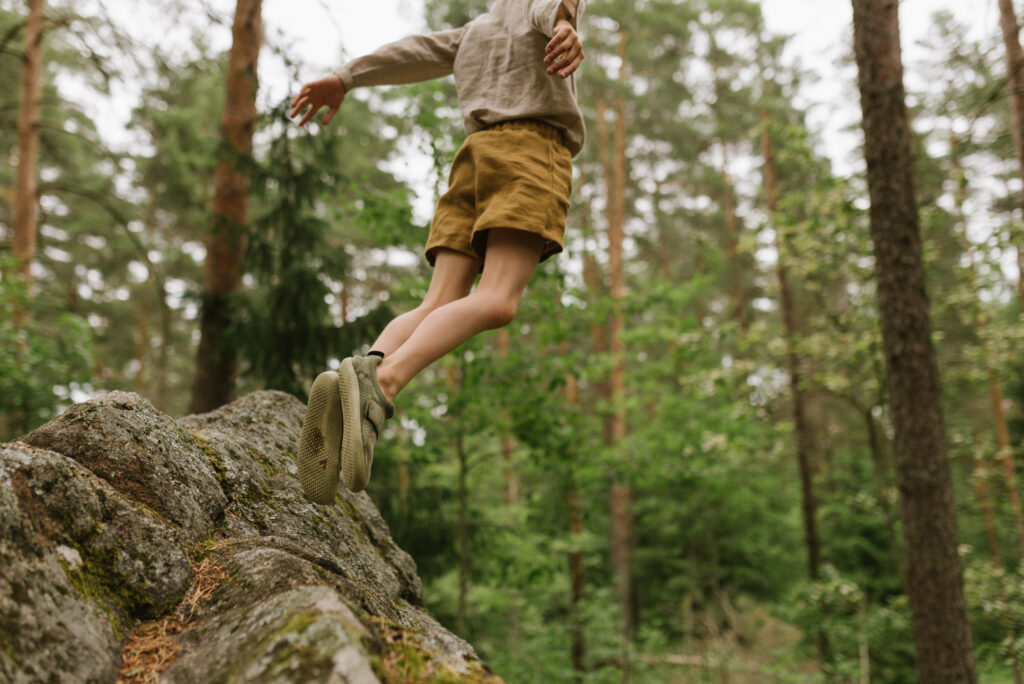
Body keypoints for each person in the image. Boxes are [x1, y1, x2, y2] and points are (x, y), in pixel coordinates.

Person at [290, 0, 586, 504]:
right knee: (497, 300)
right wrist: (564, 21)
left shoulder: (479, 28)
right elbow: (548, 6)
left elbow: (413, 52)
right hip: (530, 151)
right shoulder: (536, 11)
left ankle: (364, 372)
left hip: (474, 157)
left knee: (439, 302)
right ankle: (382, 383)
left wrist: (346, 78)